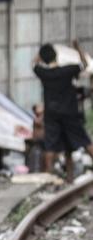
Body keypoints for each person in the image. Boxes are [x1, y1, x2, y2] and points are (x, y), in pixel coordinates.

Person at [33, 41, 93, 182]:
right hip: (70, 113)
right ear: (56, 55)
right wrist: (78, 48)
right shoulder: (68, 70)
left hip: (52, 114)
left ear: (43, 58)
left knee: (51, 145)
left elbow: (34, 64)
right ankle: (69, 177)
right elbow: (84, 64)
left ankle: (49, 177)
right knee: (84, 141)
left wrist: (40, 55)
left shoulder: (43, 73)